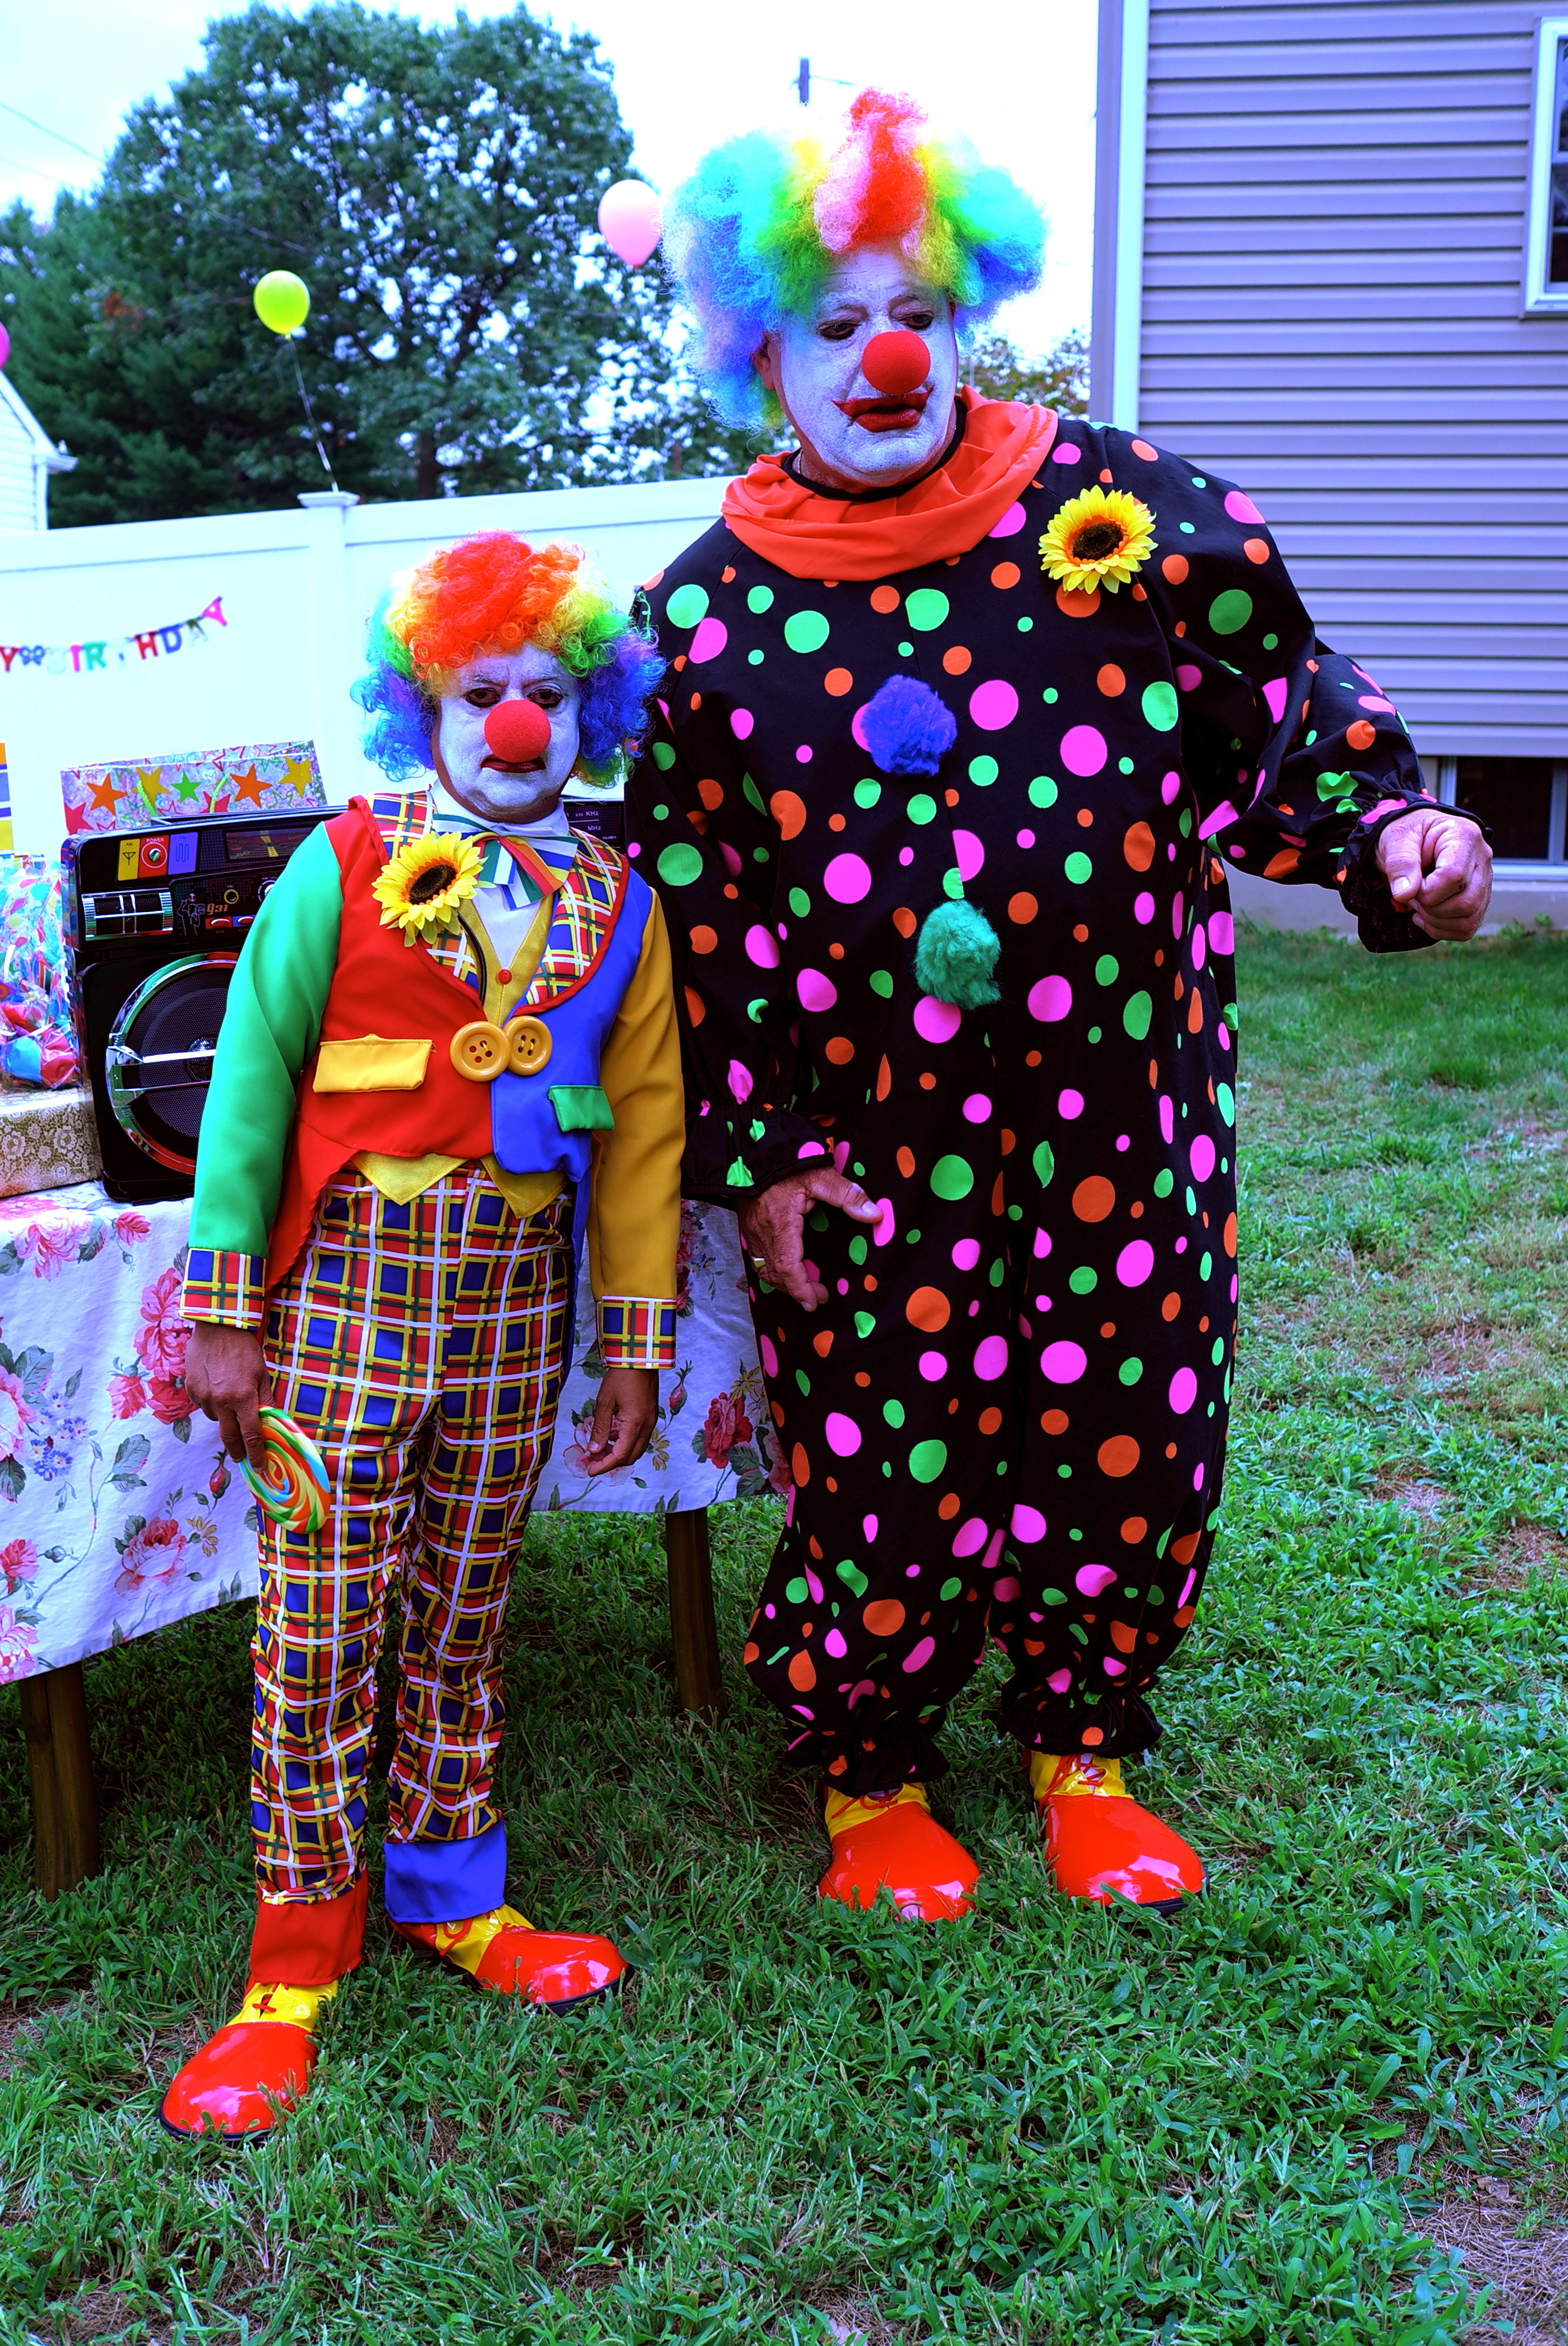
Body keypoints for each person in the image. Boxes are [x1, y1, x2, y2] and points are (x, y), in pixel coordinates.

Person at [630, 89, 1492, 1924]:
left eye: (918, 312)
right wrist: (766, 1157)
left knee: (1128, 1402)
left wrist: (1403, 824)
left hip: (1127, 1095)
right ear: (759, 350)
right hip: (870, 1140)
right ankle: (871, 1770)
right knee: (878, 1433)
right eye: (835, 321)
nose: (884, 356)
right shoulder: (700, 625)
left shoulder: (1130, 514)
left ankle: (1081, 1739)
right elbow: (698, 911)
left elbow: (1288, 710)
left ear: (966, 313)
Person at [161, 532, 682, 2139]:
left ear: (589, 710)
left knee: (465, 1612)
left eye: (545, 693)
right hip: (350, 1306)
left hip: (521, 1312)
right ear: (423, 706)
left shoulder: (621, 898)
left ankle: (454, 1894)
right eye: (481, 692)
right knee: (321, 1631)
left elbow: (648, 1125)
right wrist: (229, 1315)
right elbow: (249, 1079)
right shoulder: (346, 857)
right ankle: (293, 1961)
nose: (516, 721)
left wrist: (637, 1338)